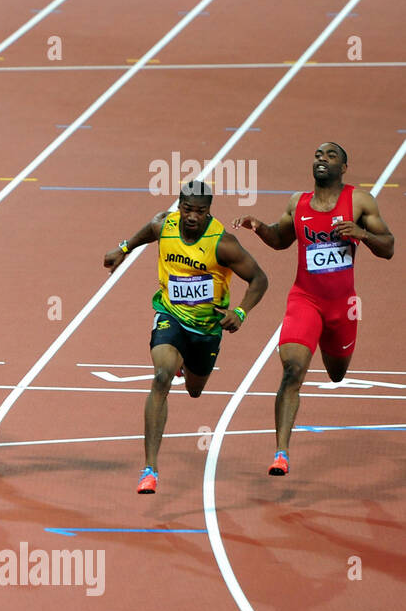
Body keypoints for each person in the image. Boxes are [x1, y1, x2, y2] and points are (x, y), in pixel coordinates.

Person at [233, 142, 393, 475]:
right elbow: (280, 239)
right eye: (318, 155)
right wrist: (260, 227)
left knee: (336, 374)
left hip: (343, 307)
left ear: (344, 167)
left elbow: (389, 247)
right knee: (292, 371)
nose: (322, 159)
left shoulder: (359, 201)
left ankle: (331, 352)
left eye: (330, 156)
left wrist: (361, 233)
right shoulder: (298, 202)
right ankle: (281, 453)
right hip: (304, 300)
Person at [104, 180, 268, 493]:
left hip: (207, 328)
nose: (192, 216)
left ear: (209, 213)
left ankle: (185, 365)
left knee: (194, 390)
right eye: (187, 209)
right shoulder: (164, 225)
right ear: (179, 206)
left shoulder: (223, 243)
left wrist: (242, 312)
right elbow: (148, 232)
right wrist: (122, 250)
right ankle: (150, 469)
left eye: (200, 212)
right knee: (162, 375)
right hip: (170, 315)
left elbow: (260, 279)